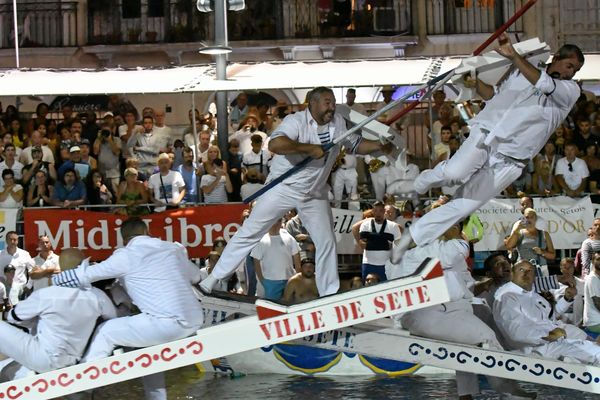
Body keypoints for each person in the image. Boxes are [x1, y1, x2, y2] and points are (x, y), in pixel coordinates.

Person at [393, 37, 585, 261]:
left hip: (511, 161)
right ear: (557, 58)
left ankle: (410, 237)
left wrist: (514, 56)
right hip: (486, 133)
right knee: (454, 174)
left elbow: (544, 84)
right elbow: (495, 97)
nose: (571, 73)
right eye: (569, 66)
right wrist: (475, 84)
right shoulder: (521, 70)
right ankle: (421, 182)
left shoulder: (570, 90)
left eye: (576, 69)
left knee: (462, 206)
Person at [200, 86, 392, 296]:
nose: (332, 106)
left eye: (333, 102)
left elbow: (356, 144)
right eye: (327, 102)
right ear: (313, 103)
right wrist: (308, 148)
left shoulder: (338, 122)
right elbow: (275, 144)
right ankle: (213, 279)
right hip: (284, 187)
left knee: (326, 240)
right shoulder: (296, 121)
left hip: (314, 192)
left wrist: (380, 146)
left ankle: (329, 293)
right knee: (249, 232)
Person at [52, 218, 204, 400]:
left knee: (106, 331)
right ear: (147, 231)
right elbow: (196, 276)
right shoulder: (172, 249)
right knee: (148, 354)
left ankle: (79, 386)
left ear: (124, 239)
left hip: (166, 324)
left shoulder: (125, 255)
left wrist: (56, 279)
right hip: (195, 320)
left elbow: (85, 276)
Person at [389, 223, 534, 400]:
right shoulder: (413, 251)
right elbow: (455, 250)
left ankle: (466, 395)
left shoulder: (444, 251)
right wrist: (457, 234)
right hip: (425, 312)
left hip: (453, 310)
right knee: (485, 337)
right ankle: (509, 391)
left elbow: (467, 287)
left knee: (467, 342)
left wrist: (486, 283)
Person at [0, 248, 116, 381]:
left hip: (42, 358)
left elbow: (13, 317)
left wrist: (34, 322)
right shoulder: (97, 296)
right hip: (74, 359)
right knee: (8, 369)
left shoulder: (47, 294)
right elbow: (113, 320)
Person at [493, 260, 600, 365]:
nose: (526, 273)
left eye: (530, 270)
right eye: (521, 270)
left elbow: (551, 317)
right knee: (595, 354)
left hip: (554, 340)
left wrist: (567, 298)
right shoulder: (507, 297)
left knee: (589, 343)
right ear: (512, 274)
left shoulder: (533, 296)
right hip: (537, 349)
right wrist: (547, 335)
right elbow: (515, 332)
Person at [251, 220, 301, 301]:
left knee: (291, 308)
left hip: (290, 280)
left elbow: (296, 256)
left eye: (278, 221)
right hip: (271, 283)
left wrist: (298, 276)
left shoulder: (288, 237)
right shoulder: (261, 240)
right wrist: (264, 281)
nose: (275, 224)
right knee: (273, 309)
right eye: (273, 221)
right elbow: (256, 262)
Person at [357, 201, 401, 281]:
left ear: (384, 211)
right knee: (368, 290)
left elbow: (398, 245)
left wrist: (372, 241)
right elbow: (362, 244)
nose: (378, 213)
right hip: (368, 263)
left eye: (380, 210)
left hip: (386, 265)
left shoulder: (393, 226)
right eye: (376, 210)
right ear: (373, 211)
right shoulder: (365, 225)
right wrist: (385, 244)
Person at [504, 207, 555, 274]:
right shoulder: (519, 232)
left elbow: (552, 256)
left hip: (541, 269)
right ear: (524, 218)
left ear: (536, 219)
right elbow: (508, 246)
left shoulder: (544, 234)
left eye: (532, 217)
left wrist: (542, 252)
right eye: (527, 217)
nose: (529, 219)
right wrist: (516, 230)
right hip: (523, 269)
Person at [0, 231, 34, 305]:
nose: (12, 242)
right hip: (2, 290)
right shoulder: (0, 254)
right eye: (10, 239)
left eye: (15, 240)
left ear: (18, 241)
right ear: (6, 240)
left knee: (14, 289)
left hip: (20, 288)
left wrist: (29, 286)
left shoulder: (25, 254)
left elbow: (32, 271)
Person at [584, 252, 600, 334]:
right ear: (593, 262)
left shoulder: (597, 277)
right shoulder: (593, 279)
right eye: (598, 259)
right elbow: (598, 304)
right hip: (596, 322)